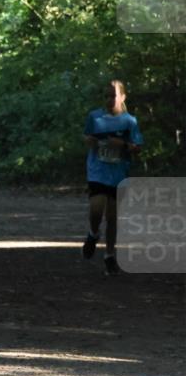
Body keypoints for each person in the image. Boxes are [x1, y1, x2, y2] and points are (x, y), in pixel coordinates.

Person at [81, 80, 143, 276]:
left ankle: (109, 255)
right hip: (97, 170)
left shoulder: (130, 121)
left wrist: (123, 145)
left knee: (112, 217)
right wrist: (90, 141)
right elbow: (86, 136)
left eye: (113, 96)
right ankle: (93, 233)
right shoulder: (95, 117)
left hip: (118, 173)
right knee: (96, 208)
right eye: (106, 96)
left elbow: (138, 148)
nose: (109, 99)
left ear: (122, 97)